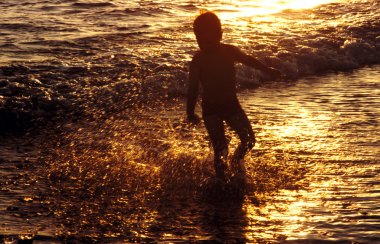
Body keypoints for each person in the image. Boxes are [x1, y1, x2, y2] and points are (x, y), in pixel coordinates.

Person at [186, 11, 281, 180]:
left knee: (249, 140)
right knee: (221, 148)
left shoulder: (229, 51)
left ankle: (236, 161)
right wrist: (190, 112)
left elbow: (249, 60)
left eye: (205, 39)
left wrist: (267, 70)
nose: (202, 43)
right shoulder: (198, 60)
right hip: (211, 109)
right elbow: (192, 88)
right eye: (198, 39)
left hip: (231, 105)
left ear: (220, 35)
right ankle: (221, 180)